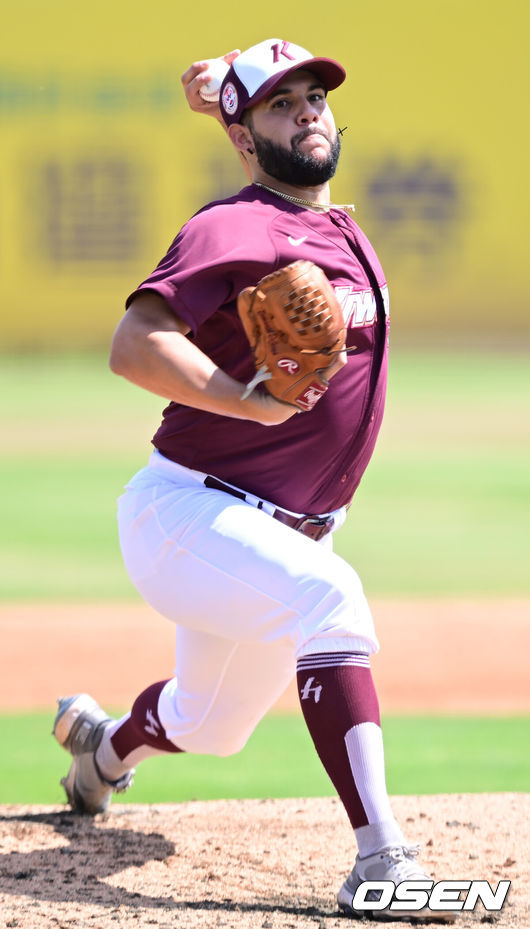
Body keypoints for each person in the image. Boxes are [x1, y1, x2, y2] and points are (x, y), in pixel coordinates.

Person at [53, 39, 454, 922]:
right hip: (187, 513)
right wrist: (240, 398)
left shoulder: (338, 226)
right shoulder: (229, 227)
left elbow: (270, 146)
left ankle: (101, 749)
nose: (308, 110)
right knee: (333, 602)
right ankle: (381, 858)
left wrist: (236, 96)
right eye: (281, 104)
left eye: (314, 96)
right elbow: (133, 344)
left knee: (211, 724)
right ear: (243, 138)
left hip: (282, 529)